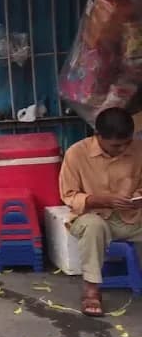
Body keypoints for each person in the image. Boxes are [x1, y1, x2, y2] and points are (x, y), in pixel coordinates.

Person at [60, 107, 142, 317]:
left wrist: (136, 199)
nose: (123, 149)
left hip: (133, 217)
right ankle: (91, 290)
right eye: (116, 145)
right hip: (91, 217)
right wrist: (104, 200)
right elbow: (69, 196)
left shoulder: (138, 149)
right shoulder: (76, 154)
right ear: (98, 136)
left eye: (127, 143)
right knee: (93, 226)